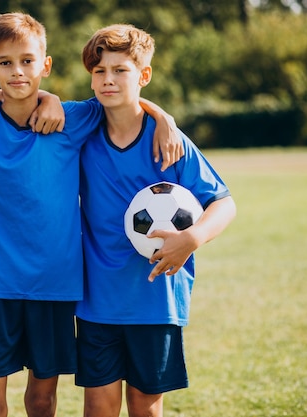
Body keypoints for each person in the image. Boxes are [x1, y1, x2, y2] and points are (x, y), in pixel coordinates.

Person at [0, 13, 181, 417]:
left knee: (42, 401)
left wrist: (164, 117)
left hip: (53, 288)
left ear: (46, 64)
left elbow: (121, 95)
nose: (17, 71)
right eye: (5, 63)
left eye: (27, 60)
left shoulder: (74, 118)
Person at [76, 24, 237, 417]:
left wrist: (193, 237)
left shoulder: (169, 141)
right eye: (99, 71)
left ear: (144, 75)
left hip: (156, 299)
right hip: (97, 299)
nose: (108, 79)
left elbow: (224, 203)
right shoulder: (82, 128)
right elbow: (37, 104)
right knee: (98, 407)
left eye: (121, 70)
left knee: (146, 409)